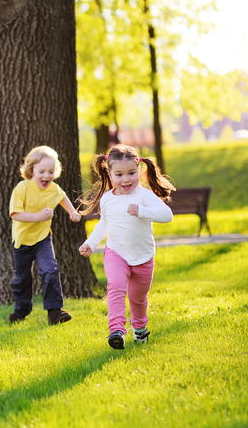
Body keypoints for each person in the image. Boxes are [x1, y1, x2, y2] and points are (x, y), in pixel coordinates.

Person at [78, 144, 175, 350]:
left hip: (143, 257)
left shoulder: (144, 195)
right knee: (115, 287)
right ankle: (117, 331)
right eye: (119, 174)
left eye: (131, 173)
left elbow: (167, 215)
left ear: (138, 171)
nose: (126, 179)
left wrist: (141, 211)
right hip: (116, 253)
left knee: (137, 300)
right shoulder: (107, 199)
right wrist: (90, 242)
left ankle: (139, 329)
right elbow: (105, 223)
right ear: (110, 174)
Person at [8, 146, 82, 325]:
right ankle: (21, 311)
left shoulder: (53, 188)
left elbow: (62, 196)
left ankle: (55, 312)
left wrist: (72, 212)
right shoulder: (22, 188)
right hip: (22, 242)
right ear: (31, 170)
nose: (46, 176)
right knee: (22, 280)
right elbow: (15, 214)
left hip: (42, 239)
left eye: (51, 171)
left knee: (50, 270)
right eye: (41, 171)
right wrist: (39, 217)